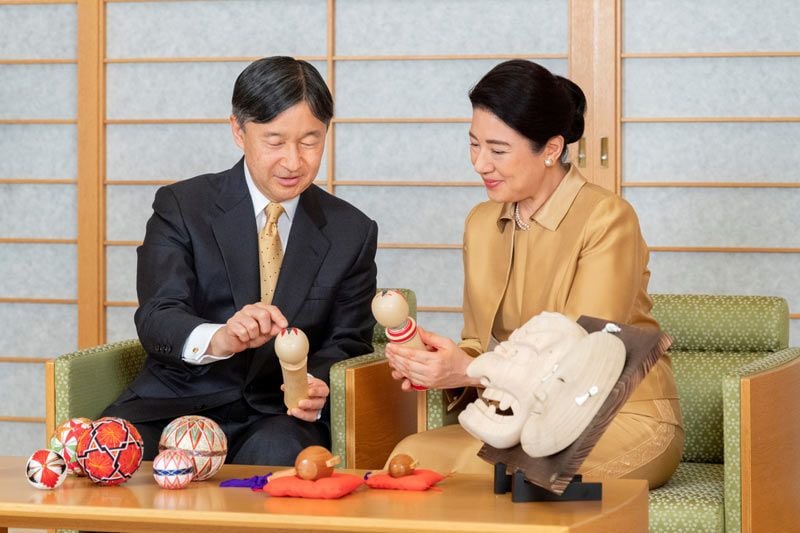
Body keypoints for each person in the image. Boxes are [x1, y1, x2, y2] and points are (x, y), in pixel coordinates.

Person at [385, 59, 683, 489]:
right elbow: (477, 340)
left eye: (498, 150)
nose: (479, 164)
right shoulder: (481, 223)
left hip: (617, 413)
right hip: (520, 415)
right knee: (411, 457)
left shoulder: (607, 218)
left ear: (551, 149)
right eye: (473, 144)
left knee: (480, 474)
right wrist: (437, 362)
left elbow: (585, 359)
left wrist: (468, 370)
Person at [103, 56, 378, 466]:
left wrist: (314, 381)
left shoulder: (351, 230)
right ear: (238, 130)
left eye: (310, 140)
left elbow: (348, 340)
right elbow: (159, 314)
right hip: (174, 401)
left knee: (278, 454)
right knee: (106, 455)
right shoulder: (182, 206)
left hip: (277, 416)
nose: (293, 161)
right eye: (274, 140)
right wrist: (220, 338)